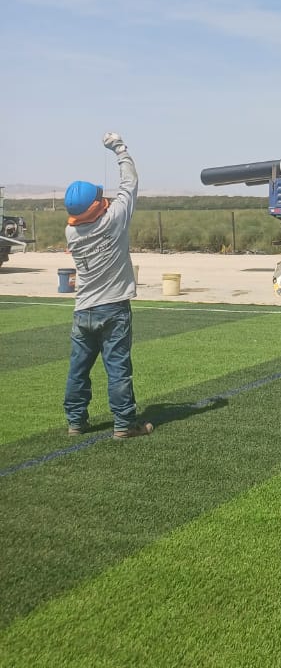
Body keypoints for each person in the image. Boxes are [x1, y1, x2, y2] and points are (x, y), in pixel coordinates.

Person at [63, 133, 154, 441]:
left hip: (83, 311)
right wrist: (119, 147)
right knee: (118, 369)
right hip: (114, 308)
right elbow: (130, 183)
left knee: (78, 370)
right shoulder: (114, 219)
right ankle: (124, 424)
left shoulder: (72, 233)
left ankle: (76, 422)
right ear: (96, 206)